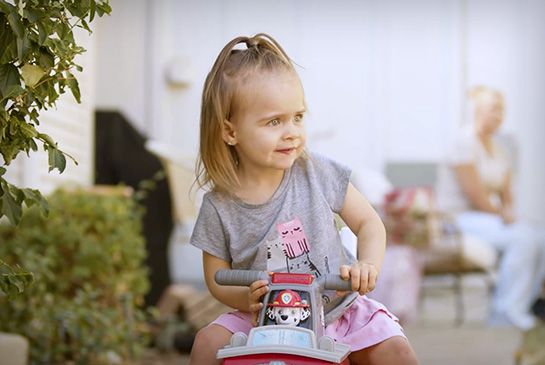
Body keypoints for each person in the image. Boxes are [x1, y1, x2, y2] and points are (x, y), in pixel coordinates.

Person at [188, 33, 419, 365]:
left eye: (297, 117)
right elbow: (216, 278)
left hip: (339, 311)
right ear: (230, 132)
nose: (292, 131)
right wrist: (247, 297)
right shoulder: (219, 206)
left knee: (396, 351)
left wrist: (367, 264)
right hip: (265, 317)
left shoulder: (316, 171)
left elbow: (369, 223)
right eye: (274, 121)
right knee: (207, 343)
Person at [436, 85, 545, 330]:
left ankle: (523, 306)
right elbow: (474, 194)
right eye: (493, 110)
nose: (498, 116)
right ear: (478, 111)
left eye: (501, 110)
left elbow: (507, 192)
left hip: (487, 217)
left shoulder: (499, 148)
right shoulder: (463, 142)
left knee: (540, 236)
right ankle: (504, 312)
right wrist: (503, 216)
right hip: (458, 218)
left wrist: (509, 213)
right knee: (524, 239)